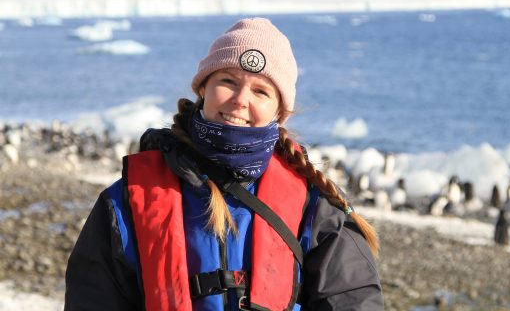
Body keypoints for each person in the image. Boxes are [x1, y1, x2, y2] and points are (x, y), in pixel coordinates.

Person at [65, 18, 384, 310]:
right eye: (228, 81)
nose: (241, 99)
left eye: (261, 91)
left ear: (278, 112)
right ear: (203, 87)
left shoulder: (315, 208)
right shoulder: (126, 202)